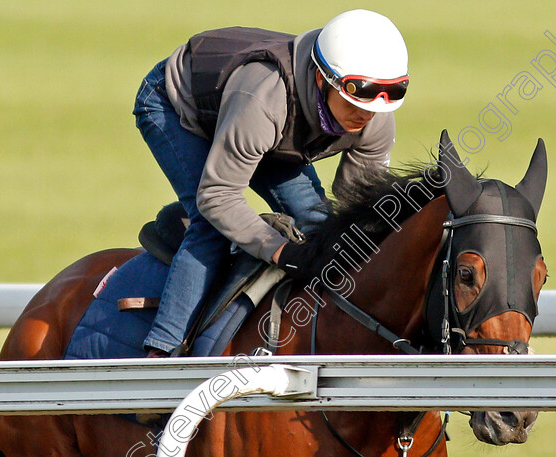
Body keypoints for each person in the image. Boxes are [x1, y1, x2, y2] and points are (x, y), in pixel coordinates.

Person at [133, 9, 409, 357]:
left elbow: (354, 207)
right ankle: (162, 354)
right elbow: (218, 196)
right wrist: (281, 251)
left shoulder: (375, 118)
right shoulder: (264, 99)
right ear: (323, 80)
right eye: (356, 99)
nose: (366, 115)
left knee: (318, 226)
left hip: (269, 133)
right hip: (174, 105)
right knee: (212, 227)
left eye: (379, 103)